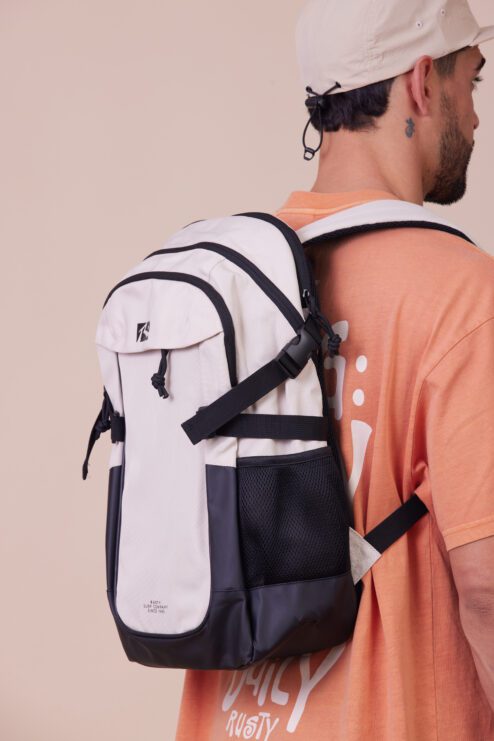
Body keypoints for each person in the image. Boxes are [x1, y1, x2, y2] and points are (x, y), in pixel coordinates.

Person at [175, 1, 494, 738]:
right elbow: (486, 586)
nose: (477, 117)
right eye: (472, 82)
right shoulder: (463, 296)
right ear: (422, 82)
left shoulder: (230, 281)